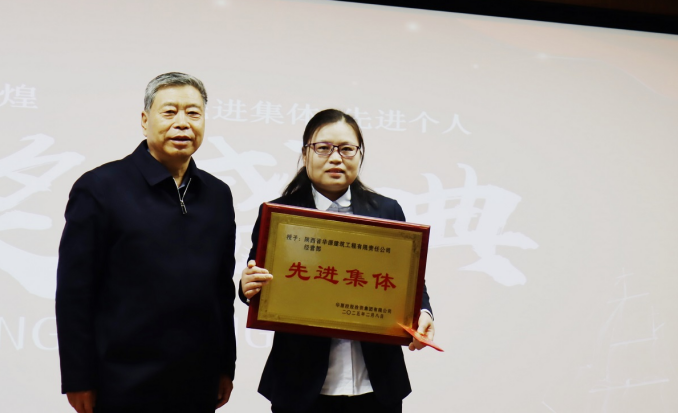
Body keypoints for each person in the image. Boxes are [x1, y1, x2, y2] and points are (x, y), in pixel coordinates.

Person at [55, 72, 237, 413]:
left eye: (193, 113)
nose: (182, 123)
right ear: (144, 120)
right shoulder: (100, 188)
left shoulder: (217, 195)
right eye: (169, 112)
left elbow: (221, 290)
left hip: (197, 379)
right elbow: (74, 292)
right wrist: (79, 377)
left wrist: (225, 365)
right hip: (122, 380)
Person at [239, 109, 435, 413]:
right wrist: (247, 285)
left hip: (376, 383)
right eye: (323, 148)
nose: (335, 158)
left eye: (346, 149)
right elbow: (257, 283)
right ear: (305, 154)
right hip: (300, 384)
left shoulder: (387, 212)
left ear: (360, 155)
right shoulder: (278, 215)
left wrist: (423, 312)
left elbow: (408, 281)